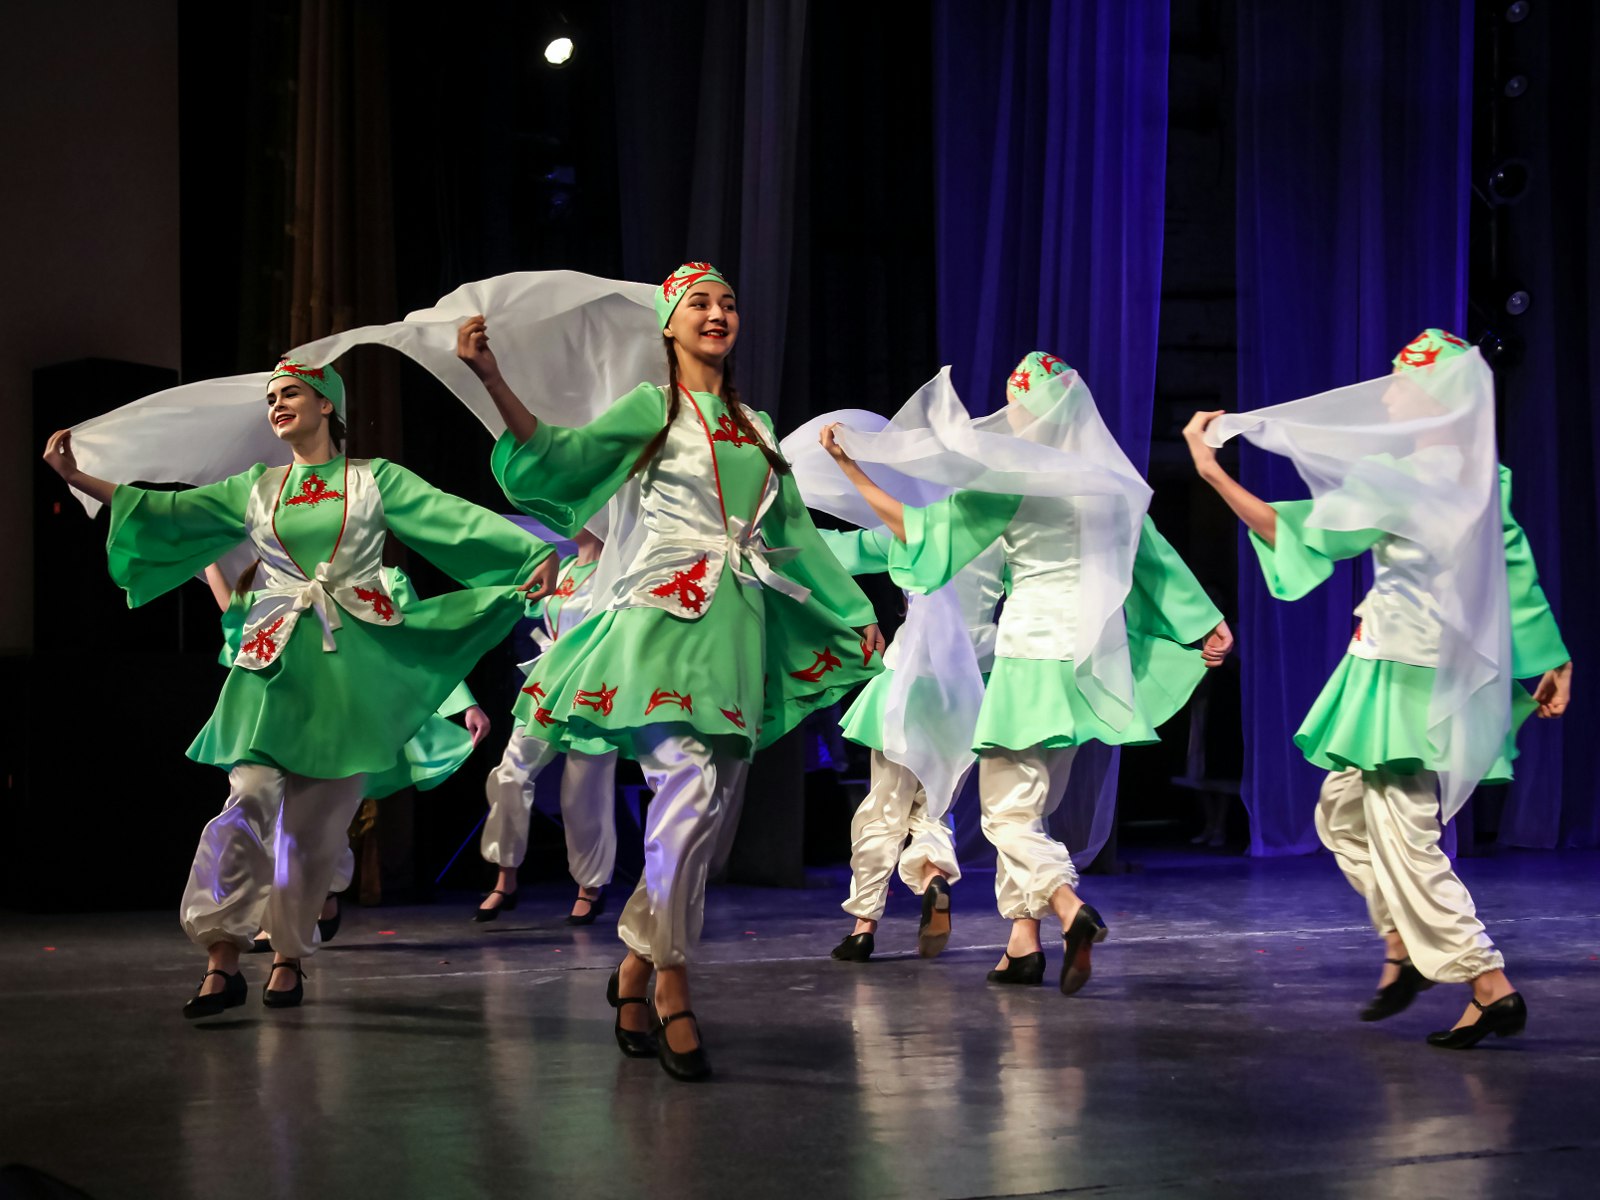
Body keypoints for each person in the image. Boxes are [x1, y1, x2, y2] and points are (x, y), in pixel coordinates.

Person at [458, 261, 884, 1080]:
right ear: (668, 323)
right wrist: (493, 377)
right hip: (660, 616)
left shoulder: (756, 424)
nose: (717, 312)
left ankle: (631, 964)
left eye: (728, 301)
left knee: (709, 813)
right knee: (686, 791)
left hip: (736, 629)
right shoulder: (654, 408)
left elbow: (795, 534)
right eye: (699, 303)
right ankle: (673, 980)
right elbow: (562, 456)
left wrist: (857, 621)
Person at [43, 358, 556, 1017]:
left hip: (353, 662)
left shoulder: (375, 481)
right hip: (273, 659)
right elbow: (171, 510)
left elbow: (453, 522)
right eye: (271, 398)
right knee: (249, 796)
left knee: (316, 828)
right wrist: (78, 478)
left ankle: (288, 955)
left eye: (290, 394)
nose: (277, 405)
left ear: (326, 406)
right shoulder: (257, 489)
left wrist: (532, 555)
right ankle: (221, 954)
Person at [1183, 329, 1571, 1049]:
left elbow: (1298, 534)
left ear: (1434, 399)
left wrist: (1212, 473)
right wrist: (1551, 657)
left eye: (1400, 381)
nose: (1388, 392)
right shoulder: (1487, 474)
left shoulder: (1398, 478)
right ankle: (1402, 944)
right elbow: (1514, 571)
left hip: (1403, 672)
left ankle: (1487, 983)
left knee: (1404, 833)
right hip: (1425, 666)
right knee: (1345, 816)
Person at [820, 351, 1232, 995]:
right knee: (1030, 811)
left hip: (1029, 663)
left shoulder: (1010, 478)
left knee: (1004, 819)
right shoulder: (1105, 479)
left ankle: (1069, 909)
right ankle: (1022, 945)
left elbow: (925, 537)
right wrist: (1202, 621)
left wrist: (851, 470)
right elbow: (1149, 557)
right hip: (1088, 663)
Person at [475, 527, 621, 926]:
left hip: (593, 689)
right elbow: (533, 615)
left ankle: (590, 887)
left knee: (584, 792)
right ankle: (505, 878)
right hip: (546, 685)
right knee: (509, 775)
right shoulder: (564, 566)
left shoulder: (618, 568)